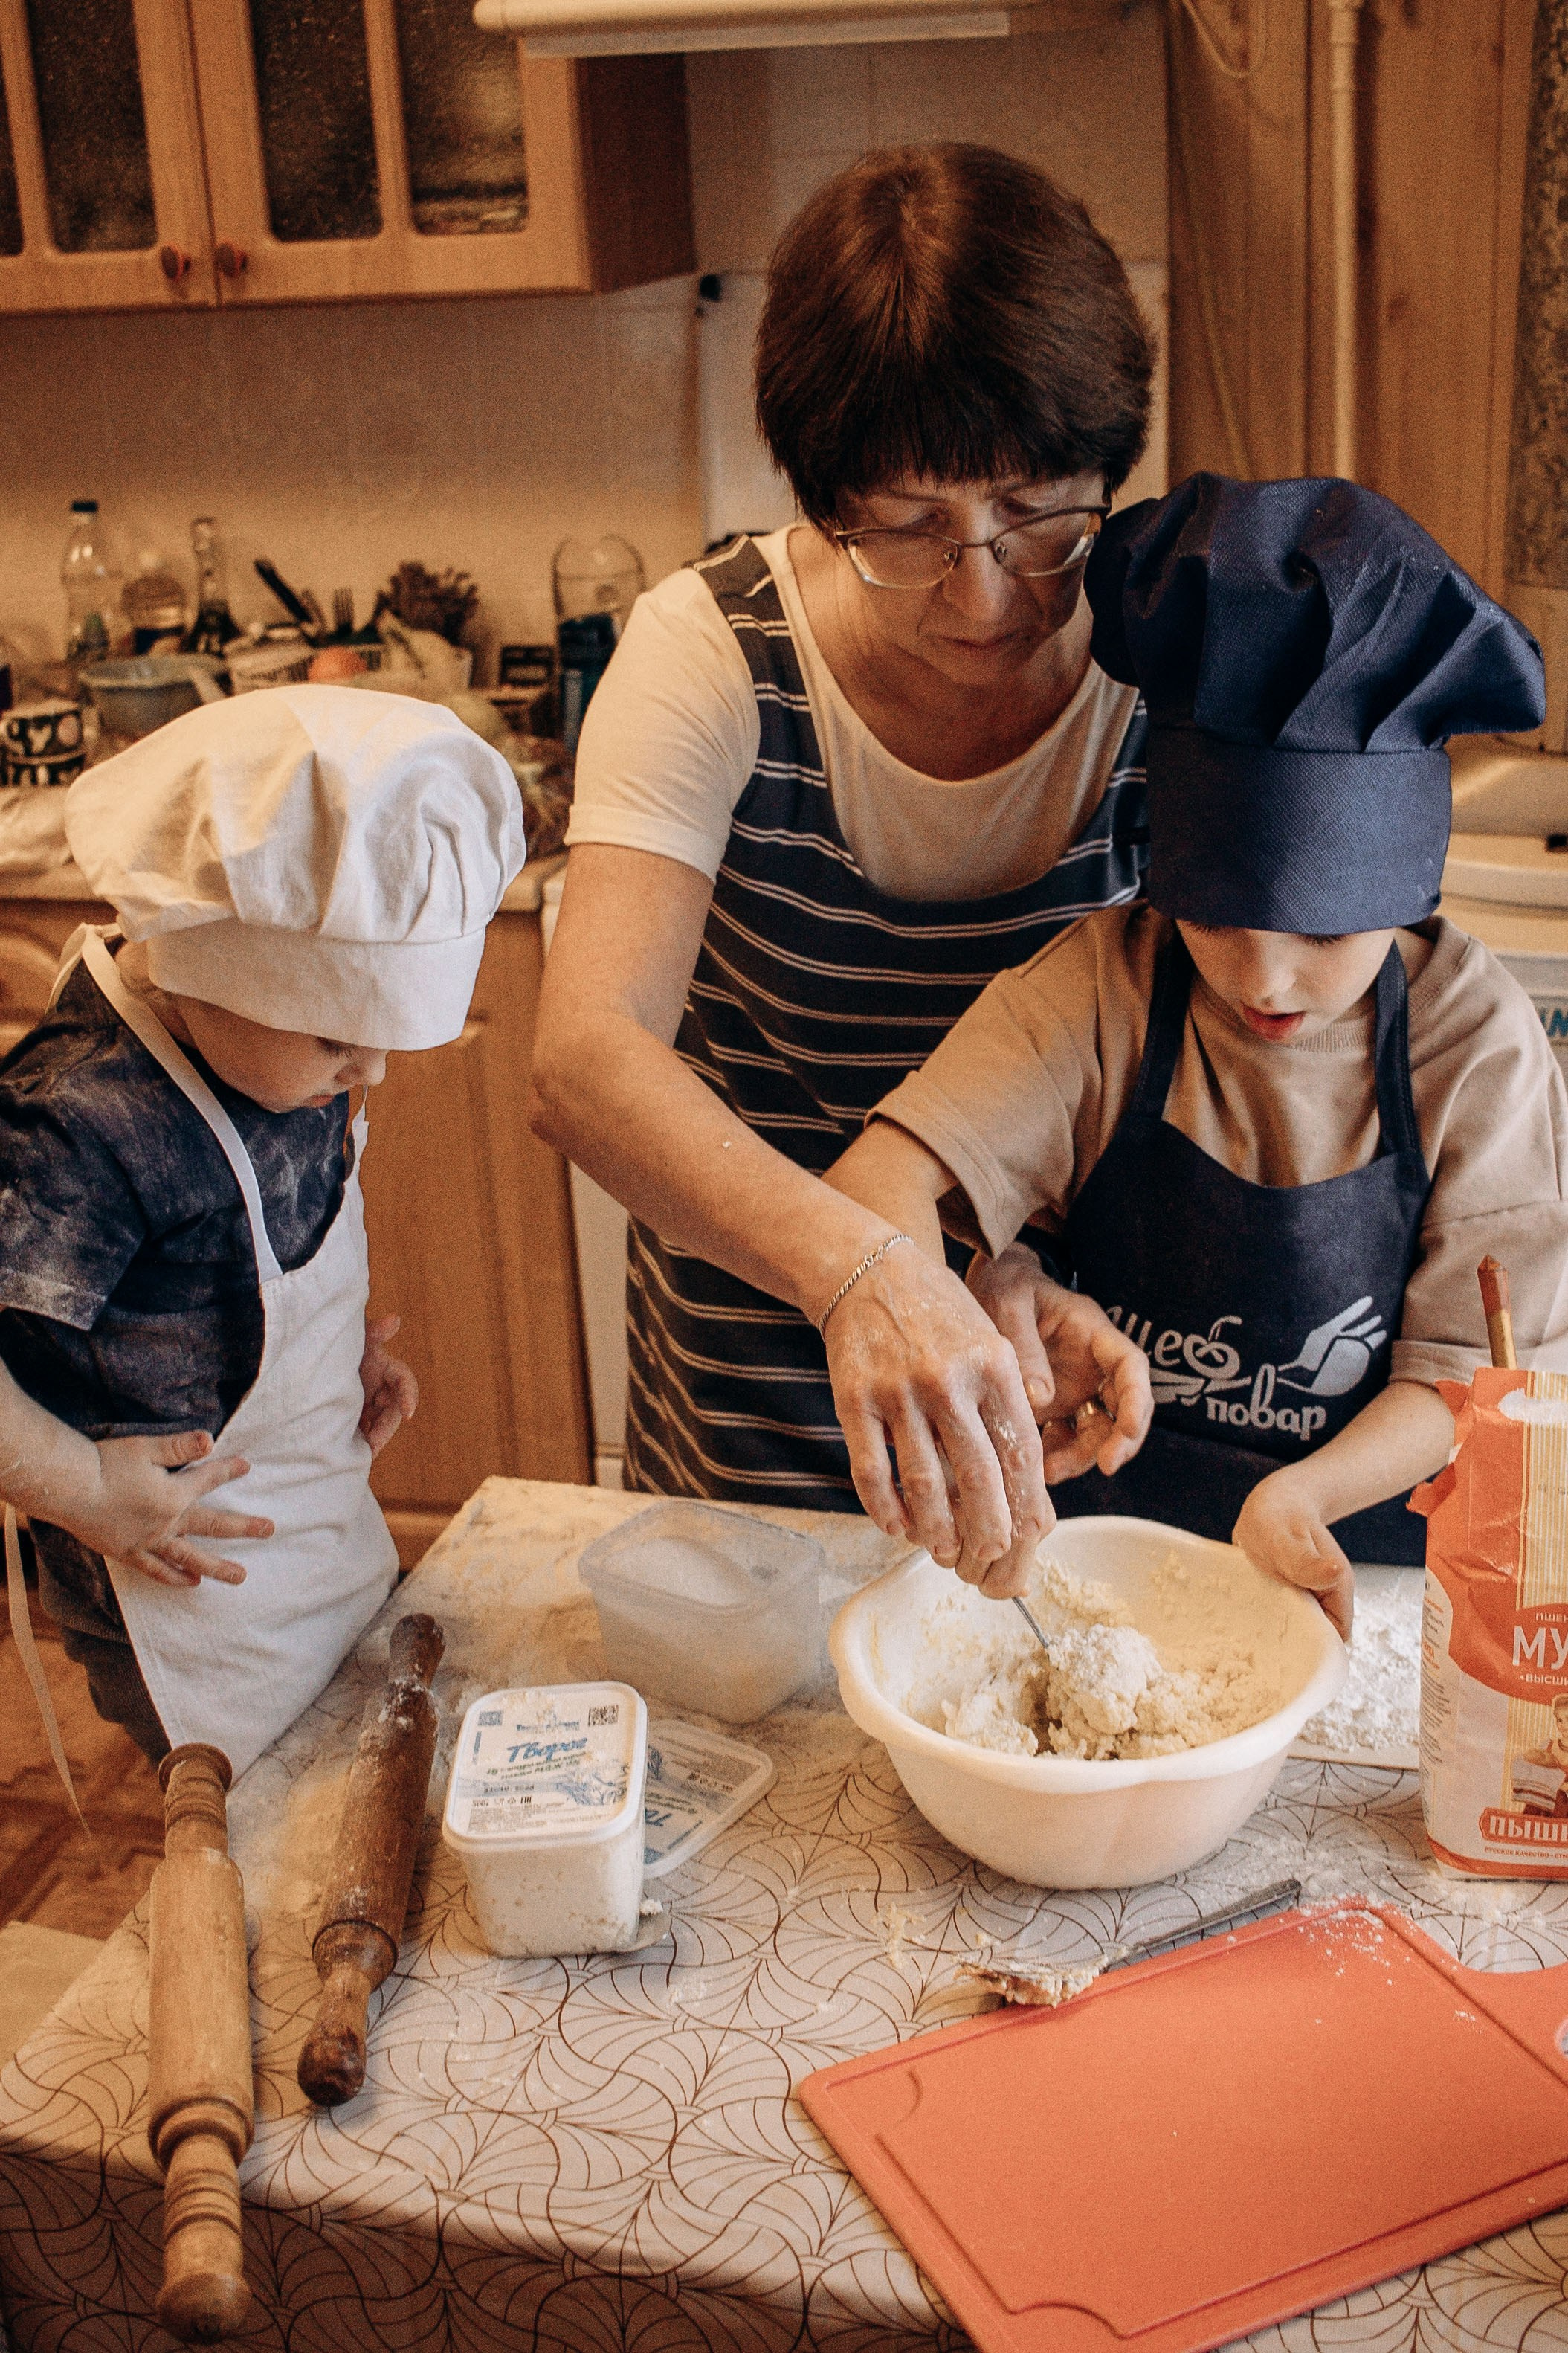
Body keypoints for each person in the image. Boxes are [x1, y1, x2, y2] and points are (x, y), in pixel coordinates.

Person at [531, 144, 1160, 1591]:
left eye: (1032, 508)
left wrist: (985, 1266)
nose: (986, 589)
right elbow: (583, 1058)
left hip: (1054, 1383)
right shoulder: (710, 652)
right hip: (760, 1392)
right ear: (824, 502)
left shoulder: (1159, 645)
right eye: (909, 528)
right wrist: (867, 1270)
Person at [824, 473, 1557, 1636]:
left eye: (1323, 932)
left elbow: (1466, 1371)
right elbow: (878, 1185)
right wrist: (968, 1314)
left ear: (1409, 890)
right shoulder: (1104, 983)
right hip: (1106, 1579)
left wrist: (1299, 1495)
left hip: (1362, 1582)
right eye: (1215, 919)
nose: (1265, 979)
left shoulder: (1473, 1042)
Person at [0, 687, 523, 1774]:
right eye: (340, 1033)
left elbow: (255, 1249)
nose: (369, 1071)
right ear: (205, 964)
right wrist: (82, 1490)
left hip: (316, 1515)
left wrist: (338, 1361)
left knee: (345, 1763)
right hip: (181, 1578)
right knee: (244, 1814)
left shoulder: (272, 1051)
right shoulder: (80, 1122)